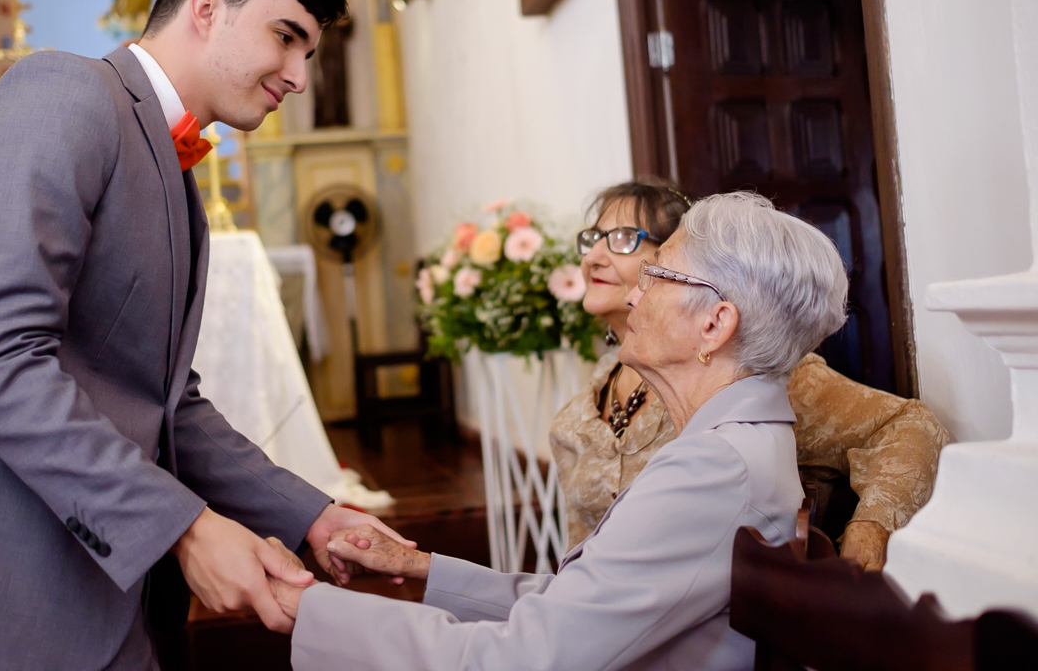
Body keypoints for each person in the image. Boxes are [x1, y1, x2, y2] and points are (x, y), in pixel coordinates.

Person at [0, 0, 410, 671]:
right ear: (207, 6)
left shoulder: (173, 175)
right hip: (11, 577)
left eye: (311, 51)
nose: (299, 75)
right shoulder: (63, 94)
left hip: (104, 571)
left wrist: (312, 514)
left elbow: (163, 401)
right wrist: (185, 528)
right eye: (286, 36)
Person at [271, 191, 849, 670]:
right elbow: (579, 605)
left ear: (715, 325)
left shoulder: (712, 468)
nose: (634, 290)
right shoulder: (734, 442)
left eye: (658, 274)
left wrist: (313, 611)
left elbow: (529, 658)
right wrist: (422, 570)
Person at [553, 180, 950, 571]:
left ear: (671, 261)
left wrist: (872, 525)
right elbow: (577, 557)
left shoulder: (751, 374)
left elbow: (907, 424)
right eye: (593, 239)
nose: (593, 258)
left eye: (622, 239)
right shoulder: (581, 411)